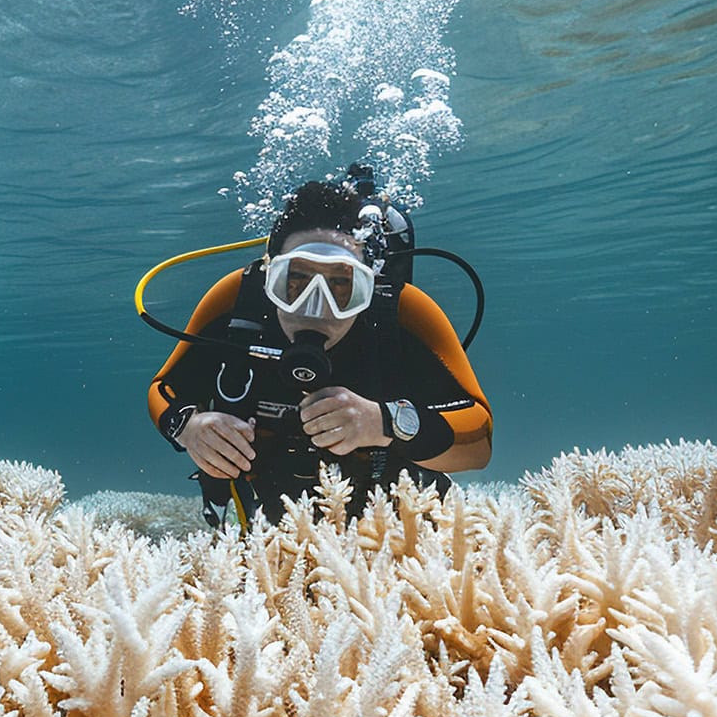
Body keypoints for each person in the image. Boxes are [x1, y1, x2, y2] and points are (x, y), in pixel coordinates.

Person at [147, 178, 492, 526]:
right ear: (270, 276)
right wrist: (189, 427)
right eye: (294, 281)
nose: (314, 307)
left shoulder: (407, 311)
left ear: (368, 286)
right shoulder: (233, 299)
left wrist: (385, 423)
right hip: (265, 522)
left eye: (342, 285)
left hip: (390, 528)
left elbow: (480, 443)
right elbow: (165, 388)